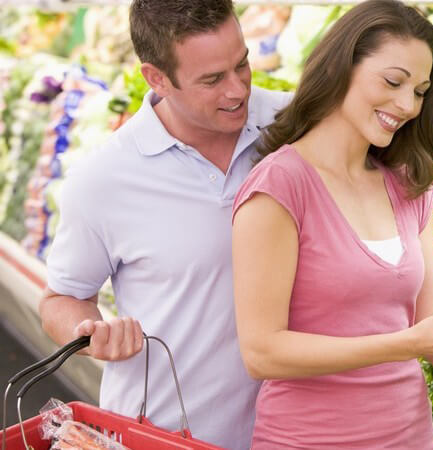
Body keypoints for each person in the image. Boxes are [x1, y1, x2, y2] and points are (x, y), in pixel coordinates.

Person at [231, 1, 433, 448]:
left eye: (420, 91)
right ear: (341, 67)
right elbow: (262, 353)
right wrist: (405, 342)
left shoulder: (407, 185)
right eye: (393, 81)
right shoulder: (280, 186)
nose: (407, 105)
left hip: (411, 437)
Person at [38, 1, 291, 448]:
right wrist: (91, 334)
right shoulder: (103, 178)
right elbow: (61, 298)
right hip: (160, 436)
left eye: (242, 64)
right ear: (156, 78)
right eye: (212, 79)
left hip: (292, 433)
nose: (237, 90)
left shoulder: (294, 126)